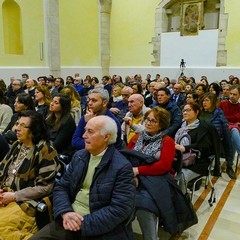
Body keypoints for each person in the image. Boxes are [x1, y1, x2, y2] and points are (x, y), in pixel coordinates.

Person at [30, 115, 135, 240]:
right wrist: (65, 212)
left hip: (99, 228)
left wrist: (81, 223)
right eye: (85, 130)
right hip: (68, 218)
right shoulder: (79, 156)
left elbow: (120, 209)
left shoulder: (122, 167)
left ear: (106, 137)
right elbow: (62, 187)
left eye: (90, 132)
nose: (84, 135)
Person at [0, 110, 59, 239]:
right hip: (5, 194)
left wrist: (14, 195)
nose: (16, 128)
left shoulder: (46, 150)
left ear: (34, 130)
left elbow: (45, 187)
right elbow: (2, 170)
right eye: (17, 124)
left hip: (25, 202)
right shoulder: (17, 145)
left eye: (23, 126)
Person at [127, 107, 175, 239]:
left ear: (161, 125)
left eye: (153, 121)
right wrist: (133, 175)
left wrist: (138, 171)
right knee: (121, 200)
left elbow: (163, 166)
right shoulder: (136, 137)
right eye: (147, 119)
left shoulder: (167, 141)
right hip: (134, 177)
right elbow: (126, 158)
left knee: (144, 207)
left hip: (157, 179)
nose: (148, 123)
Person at [175, 102, 221, 193]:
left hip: (197, 163)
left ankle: (184, 201)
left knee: (181, 178)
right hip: (179, 159)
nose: (185, 112)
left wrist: (185, 148)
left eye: (188, 110)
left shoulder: (203, 128)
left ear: (196, 112)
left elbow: (204, 146)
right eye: (184, 110)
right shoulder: (182, 126)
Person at [200, 93, 235, 179]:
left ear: (213, 102)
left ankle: (229, 167)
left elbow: (227, 137)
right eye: (203, 101)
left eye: (207, 101)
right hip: (200, 140)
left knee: (230, 142)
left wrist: (229, 163)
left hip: (214, 143)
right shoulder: (200, 113)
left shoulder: (219, 114)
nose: (204, 103)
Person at [46, 93, 76, 161]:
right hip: (49, 148)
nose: (51, 104)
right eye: (52, 101)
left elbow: (58, 145)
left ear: (63, 106)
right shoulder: (50, 118)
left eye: (56, 103)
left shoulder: (68, 122)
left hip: (62, 154)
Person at [218, 85, 240, 163]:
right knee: (233, 131)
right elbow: (220, 117)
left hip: (235, 129)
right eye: (231, 94)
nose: (232, 96)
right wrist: (232, 120)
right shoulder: (222, 104)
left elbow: (236, 118)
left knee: (234, 132)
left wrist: (225, 117)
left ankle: (229, 163)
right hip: (222, 128)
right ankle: (229, 164)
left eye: (234, 94)